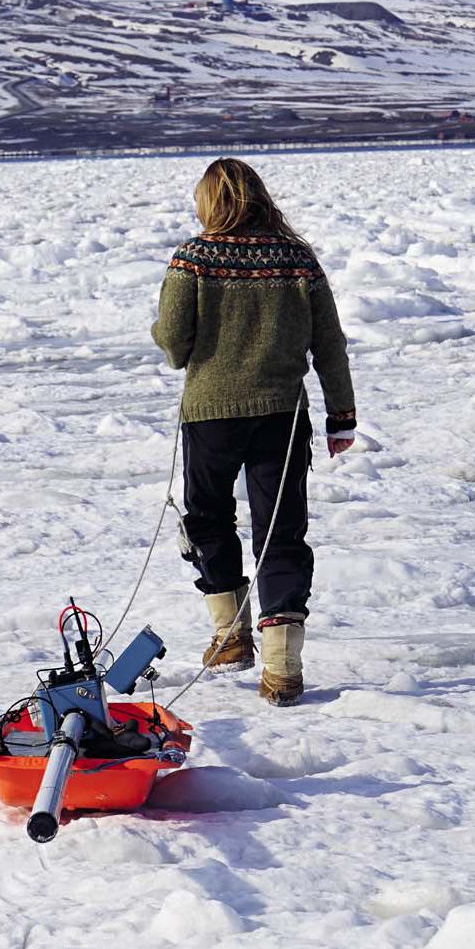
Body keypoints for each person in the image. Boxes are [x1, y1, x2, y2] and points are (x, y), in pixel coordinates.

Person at [150, 158, 356, 706]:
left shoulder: (193, 258)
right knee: (280, 533)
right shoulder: (297, 260)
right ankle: (283, 668)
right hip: (281, 420)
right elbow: (330, 343)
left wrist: (179, 342)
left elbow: (173, 342)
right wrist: (342, 417)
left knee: (208, 518)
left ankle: (228, 638)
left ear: (207, 203)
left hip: (210, 414)